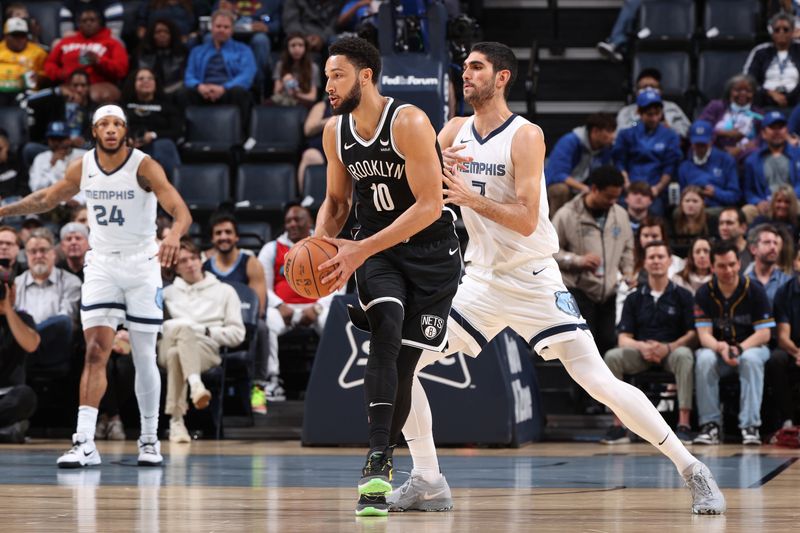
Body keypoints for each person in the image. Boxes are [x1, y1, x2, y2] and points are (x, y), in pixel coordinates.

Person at [391, 41, 725, 516]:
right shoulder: (452, 131)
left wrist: (467, 196)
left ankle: (693, 468)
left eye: (477, 67)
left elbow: (527, 219)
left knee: (599, 382)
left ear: (502, 77)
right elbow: (416, 187)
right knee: (401, 365)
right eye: (464, 67)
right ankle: (427, 478)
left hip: (534, 278)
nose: (466, 74)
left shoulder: (526, 135)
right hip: (481, 280)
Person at [314, 37, 461, 516]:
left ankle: (390, 457)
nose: (328, 84)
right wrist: (322, 247)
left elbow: (429, 204)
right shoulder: (334, 132)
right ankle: (377, 462)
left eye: (337, 75)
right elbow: (337, 204)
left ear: (366, 76)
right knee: (385, 332)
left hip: (432, 255)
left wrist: (359, 248)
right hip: (378, 255)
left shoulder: (409, 122)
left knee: (403, 365)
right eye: (326, 75)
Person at [0, 104, 192, 468]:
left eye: (117, 124)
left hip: (141, 264)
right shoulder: (83, 166)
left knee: (143, 354)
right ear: (93, 131)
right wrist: (4, 212)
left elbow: (180, 209)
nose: (110, 129)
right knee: (94, 352)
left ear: (125, 131)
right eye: (103, 124)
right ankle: (84, 441)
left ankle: (149, 440)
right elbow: (45, 199)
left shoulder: (144, 165)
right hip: (102, 263)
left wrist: (174, 236)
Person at [602, 241, 696, 445]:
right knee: (612, 357)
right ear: (644, 263)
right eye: (651, 257)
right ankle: (618, 425)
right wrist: (642, 347)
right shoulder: (634, 298)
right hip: (641, 352)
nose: (656, 261)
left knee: (685, 355)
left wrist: (668, 347)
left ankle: (683, 424)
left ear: (670, 261)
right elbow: (623, 338)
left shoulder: (684, 295)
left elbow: (692, 334)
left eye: (661, 257)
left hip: (672, 351)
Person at [160, 238, 245, 443]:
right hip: (168, 342)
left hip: (205, 348)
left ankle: (177, 422)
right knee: (181, 332)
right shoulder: (166, 294)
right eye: (182, 261)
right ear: (176, 268)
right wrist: (184, 328)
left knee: (176, 355)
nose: (189, 264)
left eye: (193, 258)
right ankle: (196, 385)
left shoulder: (225, 291)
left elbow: (238, 334)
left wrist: (206, 331)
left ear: (200, 260)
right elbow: (156, 328)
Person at [694, 240, 774, 446]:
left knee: (750, 359)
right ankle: (709, 425)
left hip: (751, 347)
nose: (727, 270)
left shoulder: (755, 289)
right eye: (721, 265)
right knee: (703, 357)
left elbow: (764, 333)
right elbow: (704, 335)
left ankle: (750, 426)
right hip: (720, 351)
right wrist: (721, 347)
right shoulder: (704, 293)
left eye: (731, 264)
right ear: (712, 267)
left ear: (739, 263)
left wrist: (739, 348)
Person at [257, 204, 335, 404]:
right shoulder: (271, 248)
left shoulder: (324, 245)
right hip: (283, 308)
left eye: (297, 219)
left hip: (317, 307)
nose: (292, 224)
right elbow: (261, 286)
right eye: (288, 221)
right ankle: (272, 380)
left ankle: (331, 380)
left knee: (332, 324)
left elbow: (338, 283)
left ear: (309, 221)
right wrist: (278, 305)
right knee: (267, 327)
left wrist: (317, 308)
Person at [553, 165, 634, 355]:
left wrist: (628, 272)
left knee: (607, 344)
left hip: (609, 293)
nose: (613, 201)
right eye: (608, 197)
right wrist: (577, 260)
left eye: (617, 197)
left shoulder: (620, 214)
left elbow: (628, 248)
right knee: (583, 350)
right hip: (578, 291)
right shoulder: (567, 215)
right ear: (594, 189)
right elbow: (550, 252)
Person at [201, 212, 270, 411]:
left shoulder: (250, 263)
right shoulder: (205, 267)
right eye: (219, 233)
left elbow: (259, 306)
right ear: (212, 238)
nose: (224, 236)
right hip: (214, 325)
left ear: (236, 237)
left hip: (243, 325)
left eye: (228, 232)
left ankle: (258, 388)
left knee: (263, 328)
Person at [14, 228, 82, 372]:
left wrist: (28, 335)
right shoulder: (16, 284)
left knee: (62, 322)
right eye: (33, 251)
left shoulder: (71, 282)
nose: (38, 255)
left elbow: (67, 322)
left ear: (53, 253)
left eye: (43, 250)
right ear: (26, 255)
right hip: (23, 350)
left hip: (55, 351)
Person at [183, 9, 256, 132]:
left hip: (229, 92)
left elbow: (247, 75)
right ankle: (185, 135)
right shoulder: (197, 51)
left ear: (232, 30)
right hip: (204, 91)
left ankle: (241, 138)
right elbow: (189, 75)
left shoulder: (244, 50)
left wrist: (224, 88)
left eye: (226, 27)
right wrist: (200, 87)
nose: (221, 30)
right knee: (183, 94)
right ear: (212, 28)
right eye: (218, 26)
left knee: (241, 93)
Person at [613, 90, 682, 216]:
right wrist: (627, 186)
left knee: (655, 212)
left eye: (658, 114)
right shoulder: (629, 131)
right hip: (630, 187)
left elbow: (670, 167)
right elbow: (620, 162)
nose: (654, 119)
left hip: (655, 189)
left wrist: (657, 188)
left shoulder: (670, 135)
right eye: (650, 115)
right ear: (639, 112)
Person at [44, 7, 129, 104]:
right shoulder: (66, 41)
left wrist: (99, 61)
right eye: (84, 21)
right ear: (79, 24)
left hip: (98, 83)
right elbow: (50, 63)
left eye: (92, 20)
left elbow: (122, 69)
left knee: (96, 95)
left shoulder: (112, 42)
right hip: (68, 83)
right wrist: (60, 73)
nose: (88, 23)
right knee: (56, 95)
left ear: (100, 22)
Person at [545, 113, 616, 217]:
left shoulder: (605, 148)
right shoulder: (569, 141)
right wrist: (584, 188)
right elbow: (558, 174)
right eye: (609, 131)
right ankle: (557, 226)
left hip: (585, 185)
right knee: (560, 189)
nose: (613, 136)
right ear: (595, 131)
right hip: (564, 186)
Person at [0, 258, 40, 444]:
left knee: (26, 396)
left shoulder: (23, 318)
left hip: (10, 394)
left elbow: (31, 344)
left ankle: (9, 429)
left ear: (14, 291)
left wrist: (8, 309)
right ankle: (8, 430)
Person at [121, 67, 183, 180]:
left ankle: (170, 189)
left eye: (150, 78)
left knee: (165, 144)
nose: (146, 81)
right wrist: (126, 138)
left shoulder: (167, 105)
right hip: (130, 145)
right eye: (141, 79)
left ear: (156, 83)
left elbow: (177, 131)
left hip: (157, 145)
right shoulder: (123, 105)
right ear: (133, 83)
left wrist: (153, 135)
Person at [24, 70, 95, 166]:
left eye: (83, 85)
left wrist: (84, 141)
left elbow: (95, 138)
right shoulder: (56, 102)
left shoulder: (94, 109)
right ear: (68, 86)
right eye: (75, 85)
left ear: (89, 87)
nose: (79, 90)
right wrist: (56, 91)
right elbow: (29, 100)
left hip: (79, 150)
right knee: (30, 149)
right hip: (53, 147)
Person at [742, 110, 800, 223]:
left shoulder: (798, 154)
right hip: (766, 203)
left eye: (781, 127)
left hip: (793, 200)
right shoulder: (752, 160)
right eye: (773, 128)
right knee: (747, 211)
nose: (777, 131)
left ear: (786, 130)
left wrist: (789, 197)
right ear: (763, 133)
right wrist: (757, 202)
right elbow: (748, 191)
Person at [677, 120, 741, 213]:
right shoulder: (684, 166)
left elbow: (735, 196)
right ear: (691, 142)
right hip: (692, 209)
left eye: (703, 144)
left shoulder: (726, 160)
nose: (700, 148)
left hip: (717, 208)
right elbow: (681, 196)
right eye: (697, 144)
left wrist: (715, 193)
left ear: (711, 141)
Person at [697, 74, 763, 164]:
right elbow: (700, 127)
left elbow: (763, 136)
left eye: (748, 91)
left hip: (746, 153)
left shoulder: (758, 114)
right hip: (717, 149)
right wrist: (725, 133)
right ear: (730, 91)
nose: (743, 93)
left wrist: (740, 148)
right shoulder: (716, 106)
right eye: (738, 90)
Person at [766, 269, 800, 430]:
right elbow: (782, 337)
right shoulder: (784, 292)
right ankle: (787, 419)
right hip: (791, 348)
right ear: (796, 263)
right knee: (775, 360)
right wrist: (797, 352)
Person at [744, 12, 800, 109]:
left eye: (785, 30)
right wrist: (769, 93)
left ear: (792, 32)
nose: (781, 32)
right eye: (777, 30)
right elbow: (749, 79)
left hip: (797, 99)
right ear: (772, 33)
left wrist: (789, 96)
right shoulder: (760, 51)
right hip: (765, 99)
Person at [29, 121, 88, 213]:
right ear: (48, 140)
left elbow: (94, 185)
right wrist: (51, 165)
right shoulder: (41, 159)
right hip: (52, 208)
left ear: (69, 139)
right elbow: (36, 189)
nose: (57, 143)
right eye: (53, 139)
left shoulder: (83, 156)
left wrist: (80, 200)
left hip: (81, 206)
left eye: (61, 139)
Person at [616, 69, 691, 138]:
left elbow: (686, 133)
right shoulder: (626, 111)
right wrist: (638, 122)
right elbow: (620, 135)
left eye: (653, 86)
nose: (649, 90)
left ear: (660, 90)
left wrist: (668, 129)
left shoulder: (672, 108)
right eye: (644, 87)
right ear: (637, 92)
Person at [133, 18, 189, 96]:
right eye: (158, 32)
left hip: (175, 93)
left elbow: (184, 79)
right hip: (146, 93)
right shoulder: (141, 53)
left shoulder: (182, 53)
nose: (162, 35)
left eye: (166, 32)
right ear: (151, 35)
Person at [0, 17, 47, 106]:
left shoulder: (38, 53)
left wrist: (39, 78)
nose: (19, 39)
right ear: (6, 36)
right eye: (15, 35)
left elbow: (47, 74)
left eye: (22, 35)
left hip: (27, 94)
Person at [743, 224, 792, 305]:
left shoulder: (787, 283)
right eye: (767, 242)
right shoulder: (743, 282)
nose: (773, 247)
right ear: (753, 249)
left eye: (775, 243)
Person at [271, 32, 319, 108]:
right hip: (283, 99)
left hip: (303, 100)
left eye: (300, 45)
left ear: (305, 48)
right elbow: (276, 92)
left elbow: (312, 97)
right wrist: (284, 81)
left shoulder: (313, 67)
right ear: (287, 48)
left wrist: (296, 94)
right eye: (293, 45)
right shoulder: (280, 65)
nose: (297, 49)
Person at [298, 99, 333, 193]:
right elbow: (308, 130)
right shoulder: (322, 106)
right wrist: (330, 120)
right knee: (310, 156)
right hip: (322, 148)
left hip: (347, 148)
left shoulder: (357, 105)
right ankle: (305, 197)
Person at [669, 186, 710, 258]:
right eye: (687, 201)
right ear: (681, 203)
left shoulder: (710, 221)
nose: (690, 205)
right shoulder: (673, 221)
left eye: (695, 201)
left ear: (703, 203)